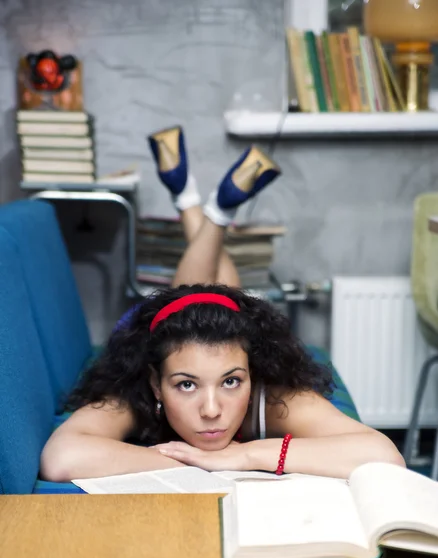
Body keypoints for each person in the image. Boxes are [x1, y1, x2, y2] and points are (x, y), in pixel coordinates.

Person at [40, 126, 404, 483]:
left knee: (221, 300)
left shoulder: (270, 394)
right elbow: (61, 458)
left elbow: (385, 455)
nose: (212, 411)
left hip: (210, 326)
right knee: (207, 299)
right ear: (156, 385)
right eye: (186, 386)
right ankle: (214, 208)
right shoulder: (136, 387)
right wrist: (194, 463)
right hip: (151, 326)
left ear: (253, 373)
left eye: (231, 381)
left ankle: (196, 202)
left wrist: (243, 455)